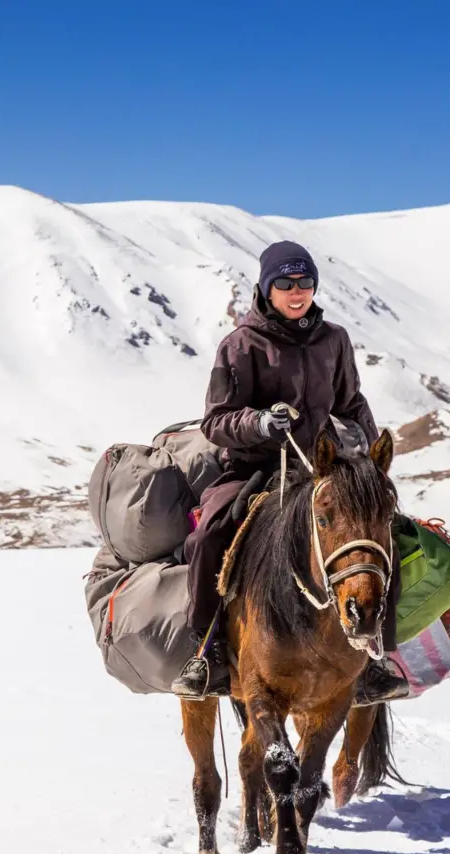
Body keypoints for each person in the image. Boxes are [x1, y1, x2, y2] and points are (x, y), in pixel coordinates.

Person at [171, 240, 409, 704]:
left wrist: (369, 461)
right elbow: (216, 421)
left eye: (304, 282)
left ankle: (376, 656)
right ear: (267, 289)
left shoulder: (333, 340)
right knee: (209, 536)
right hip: (254, 469)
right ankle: (208, 652)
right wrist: (259, 423)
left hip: (321, 469)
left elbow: (351, 401)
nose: (296, 291)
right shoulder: (240, 345)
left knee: (380, 537)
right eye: (284, 283)